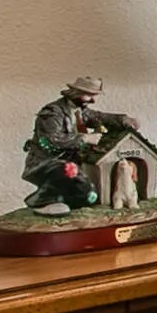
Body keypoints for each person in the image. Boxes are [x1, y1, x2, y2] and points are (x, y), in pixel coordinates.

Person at [22, 75, 137, 212]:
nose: (92, 100)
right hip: (46, 163)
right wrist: (84, 138)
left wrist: (123, 119)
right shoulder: (52, 113)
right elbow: (51, 141)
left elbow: (98, 117)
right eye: (89, 96)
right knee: (73, 177)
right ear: (76, 93)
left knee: (89, 195)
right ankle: (40, 202)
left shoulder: (79, 111)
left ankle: (65, 203)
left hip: (69, 163)